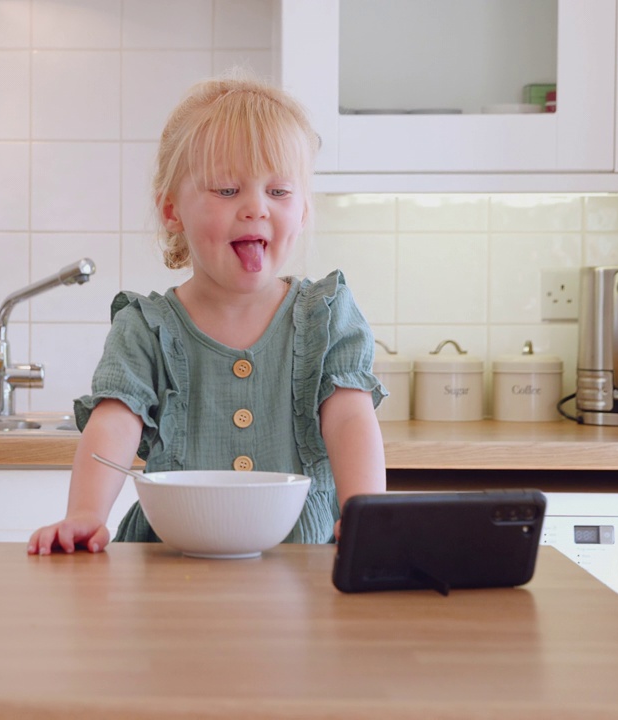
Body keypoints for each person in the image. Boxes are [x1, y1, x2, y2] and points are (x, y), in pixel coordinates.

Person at [27, 75, 387, 555]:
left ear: (302, 212)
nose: (255, 208)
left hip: (303, 564)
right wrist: (85, 515)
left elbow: (349, 419)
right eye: (226, 189)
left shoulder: (326, 315)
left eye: (279, 191)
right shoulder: (146, 326)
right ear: (172, 210)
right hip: (170, 564)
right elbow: (114, 420)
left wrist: (370, 512)